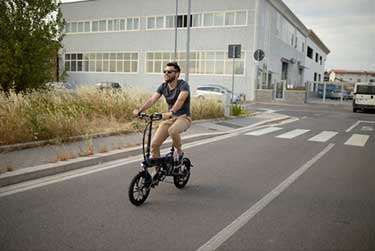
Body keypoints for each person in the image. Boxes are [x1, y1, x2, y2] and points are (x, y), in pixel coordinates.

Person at [133, 62, 191, 166]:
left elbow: (180, 100)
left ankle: (179, 151)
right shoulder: (163, 86)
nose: (166, 73)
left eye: (169, 72)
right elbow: (152, 100)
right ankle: (157, 173)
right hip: (169, 119)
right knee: (154, 145)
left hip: (183, 118)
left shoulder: (183, 85)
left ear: (176, 74)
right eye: (164, 71)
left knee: (173, 130)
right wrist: (140, 111)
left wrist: (171, 112)